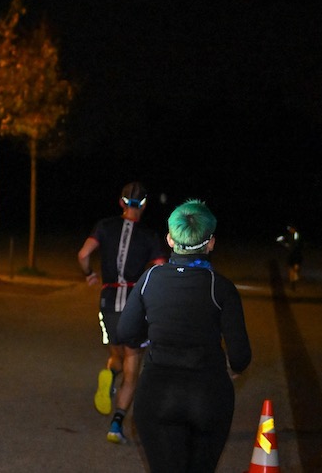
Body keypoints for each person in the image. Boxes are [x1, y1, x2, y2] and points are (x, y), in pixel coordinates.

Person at [116, 198, 252, 473]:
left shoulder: (150, 279)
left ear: (170, 239)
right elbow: (240, 357)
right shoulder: (221, 287)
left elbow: (126, 333)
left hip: (157, 394)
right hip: (208, 396)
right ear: (210, 243)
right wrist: (232, 368)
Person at [77, 180, 166, 444]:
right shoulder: (150, 237)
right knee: (133, 364)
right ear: (145, 205)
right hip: (134, 305)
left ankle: (109, 373)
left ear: (121, 203)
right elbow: (160, 268)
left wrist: (90, 274)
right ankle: (116, 425)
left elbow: (83, 254)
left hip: (108, 301)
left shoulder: (104, 226)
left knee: (115, 353)